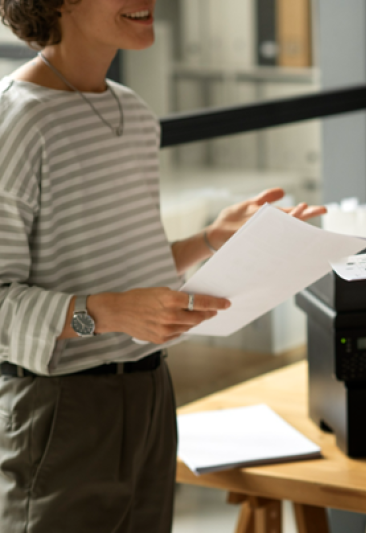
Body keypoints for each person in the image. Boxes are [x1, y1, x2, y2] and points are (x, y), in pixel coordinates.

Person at [0, 1, 325, 531]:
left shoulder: (133, 113)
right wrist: (107, 313)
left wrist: (210, 239)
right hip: (61, 408)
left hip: (151, 391)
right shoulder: (15, 122)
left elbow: (123, 273)